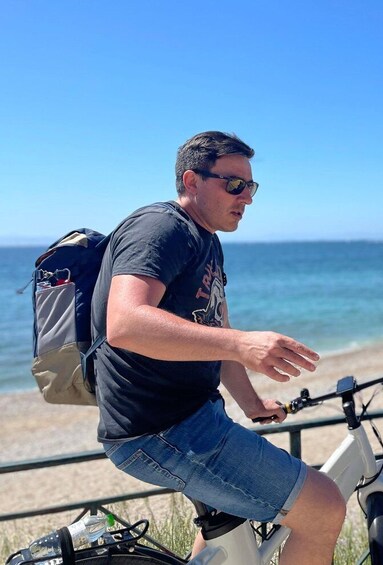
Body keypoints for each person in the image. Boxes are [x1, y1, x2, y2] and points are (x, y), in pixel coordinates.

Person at [91, 131, 346, 564]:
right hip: (162, 430)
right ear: (191, 181)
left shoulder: (205, 239)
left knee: (229, 538)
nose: (246, 198)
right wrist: (243, 343)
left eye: (251, 186)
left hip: (192, 417)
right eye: (234, 184)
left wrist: (250, 402)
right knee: (324, 506)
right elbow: (125, 323)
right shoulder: (162, 227)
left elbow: (215, 327)